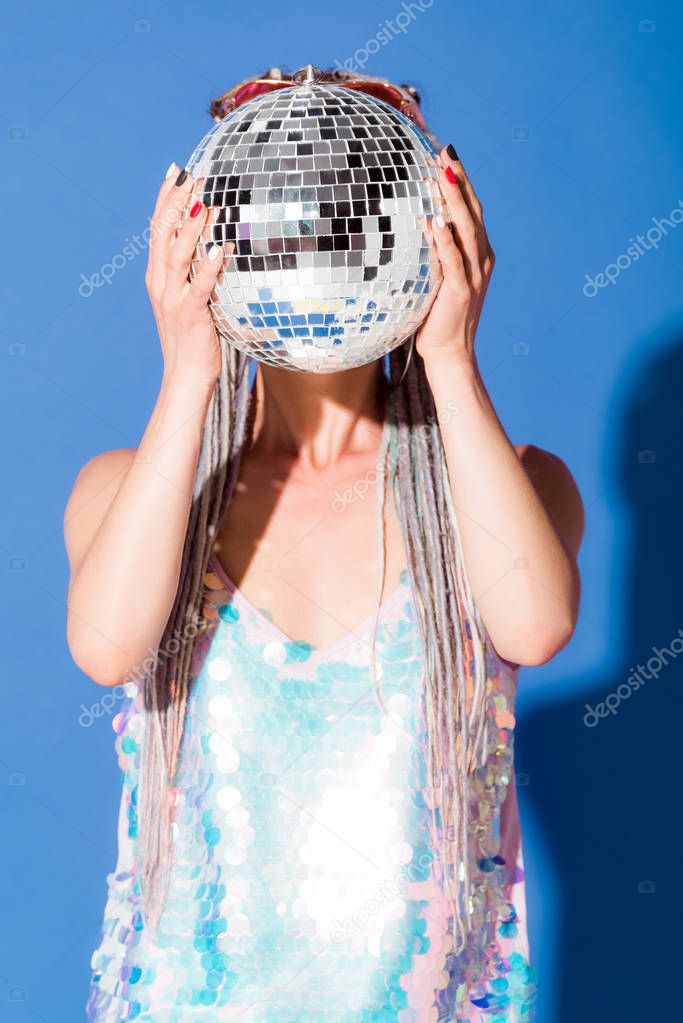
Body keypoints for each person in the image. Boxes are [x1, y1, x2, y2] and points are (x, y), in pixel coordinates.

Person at [65, 67, 583, 1022]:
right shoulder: (130, 489)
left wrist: (451, 360)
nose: (309, 251)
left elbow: (536, 622)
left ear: (418, 233)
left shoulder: (508, 482)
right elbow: (107, 646)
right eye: (274, 220)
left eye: (341, 217)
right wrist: (187, 372)